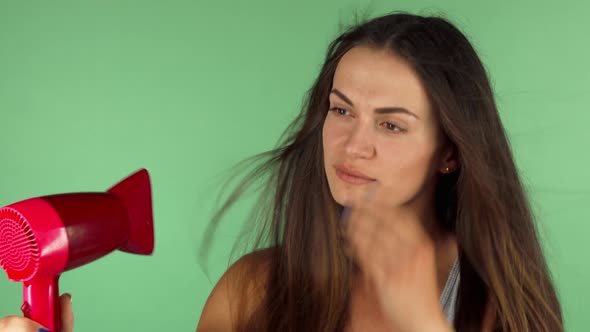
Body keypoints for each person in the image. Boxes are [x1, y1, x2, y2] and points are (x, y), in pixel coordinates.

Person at [0, 12, 563, 332]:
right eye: (340, 111)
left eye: (391, 125)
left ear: (450, 152)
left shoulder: (500, 306)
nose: (352, 145)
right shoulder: (251, 292)